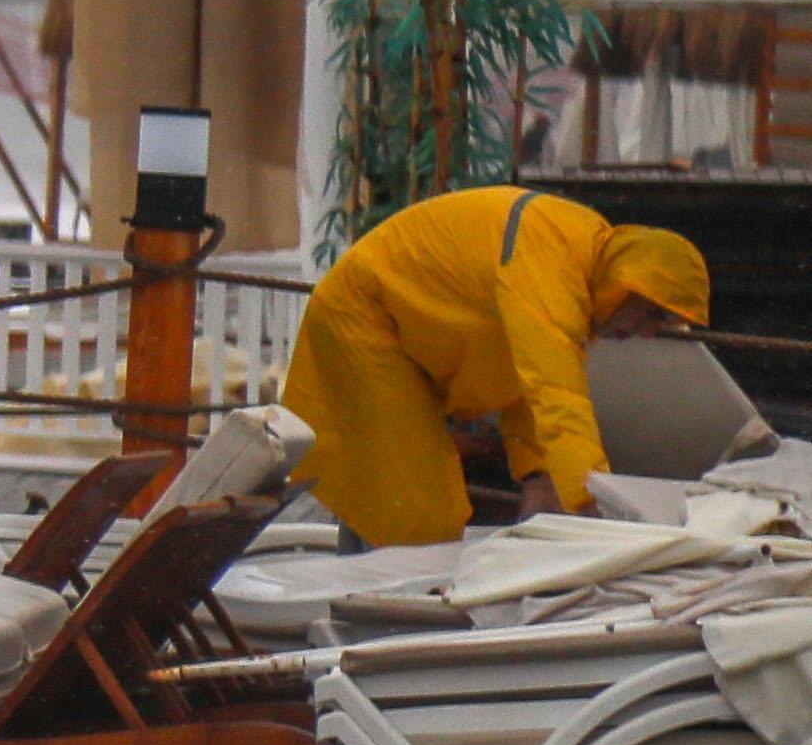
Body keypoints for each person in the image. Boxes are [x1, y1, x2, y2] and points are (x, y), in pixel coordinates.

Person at [281, 186, 712, 545]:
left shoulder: (572, 263)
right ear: (626, 284)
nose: (648, 333)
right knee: (417, 512)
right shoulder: (553, 258)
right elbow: (555, 392)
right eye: (653, 314)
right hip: (364, 319)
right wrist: (593, 506)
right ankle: (370, 609)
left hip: (389, 330)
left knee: (401, 493)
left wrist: (542, 477)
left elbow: (524, 382)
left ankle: (363, 597)